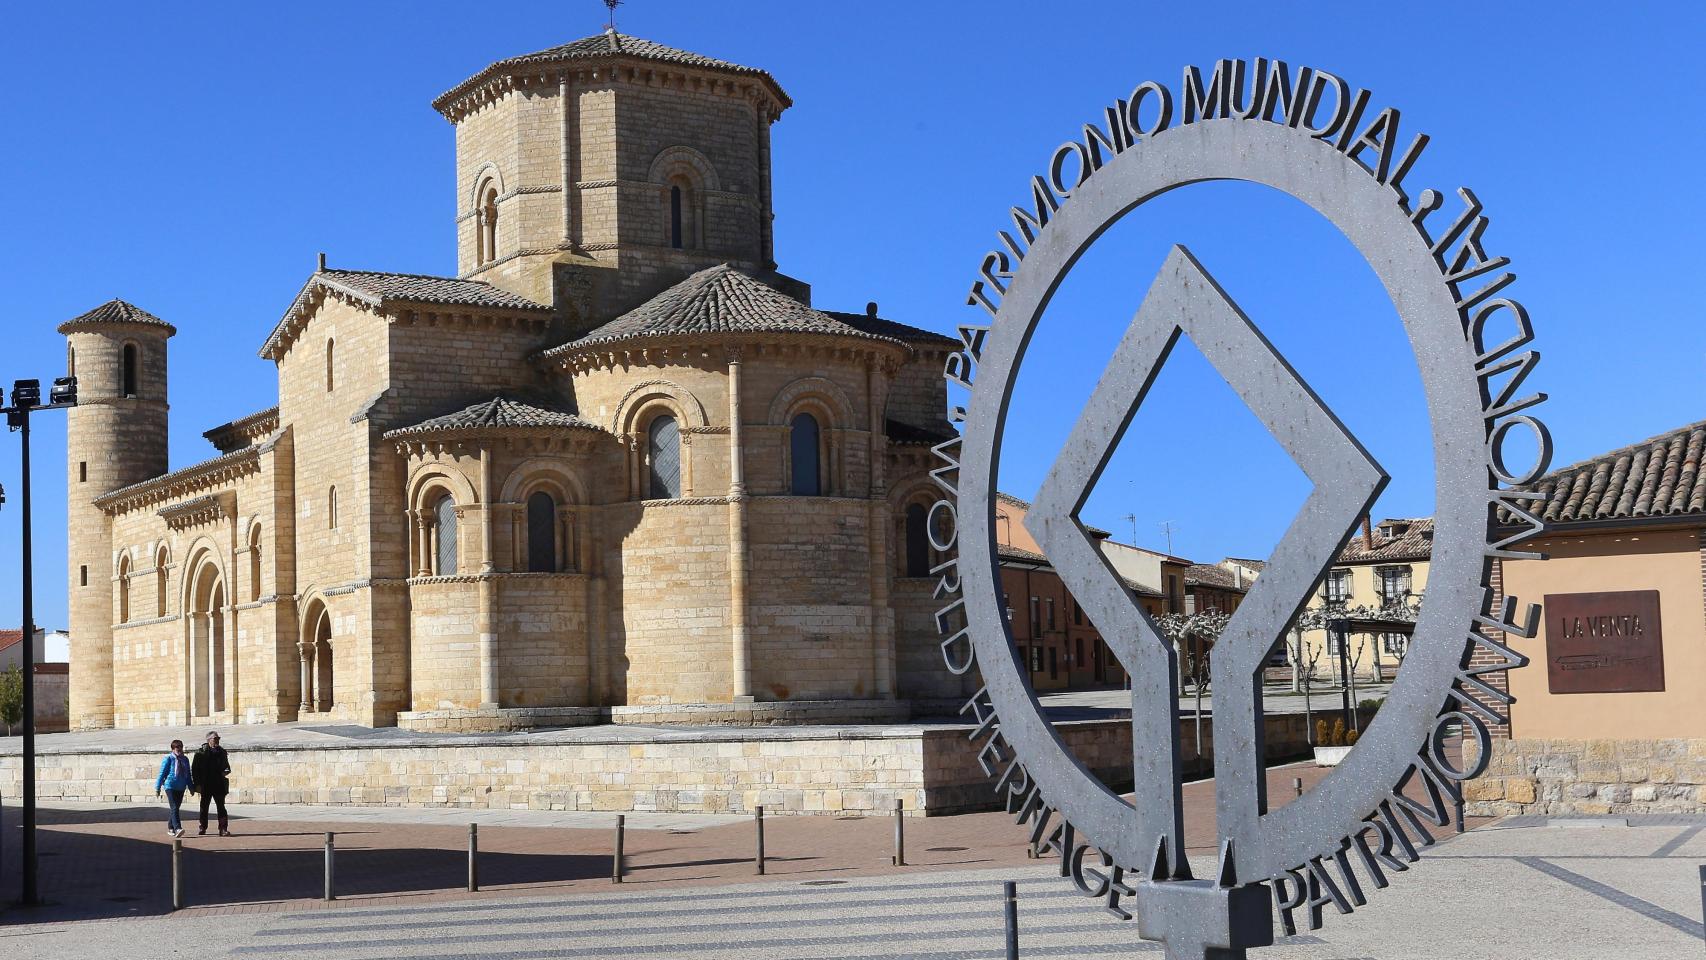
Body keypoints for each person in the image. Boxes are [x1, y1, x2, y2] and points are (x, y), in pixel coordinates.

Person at [191, 730, 233, 836]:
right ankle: (202, 827)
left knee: (221, 807)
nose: (217, 740)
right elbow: (195, 770)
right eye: (215, 739)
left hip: (219, 784)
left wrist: (226, 771)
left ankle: (223, 828)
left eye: (218, 738)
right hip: (206, 784)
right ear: (209, 740)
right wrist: (197, 785)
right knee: (204, 807)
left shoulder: (222, 752)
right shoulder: (200, 753)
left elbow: (227, 767)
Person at [153, 739, 191, 837]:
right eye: (177, 747)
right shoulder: (168, 759)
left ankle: (170, 828)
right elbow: (162, 773)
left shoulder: (185, 759)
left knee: (176, 808)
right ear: (173, 749)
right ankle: (178, 828)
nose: (179, 749)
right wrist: (157, 787)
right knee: (174, 807)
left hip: (181, 786)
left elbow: (188, 775)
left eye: (180, 747)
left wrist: (191, 787)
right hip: (170, 786)